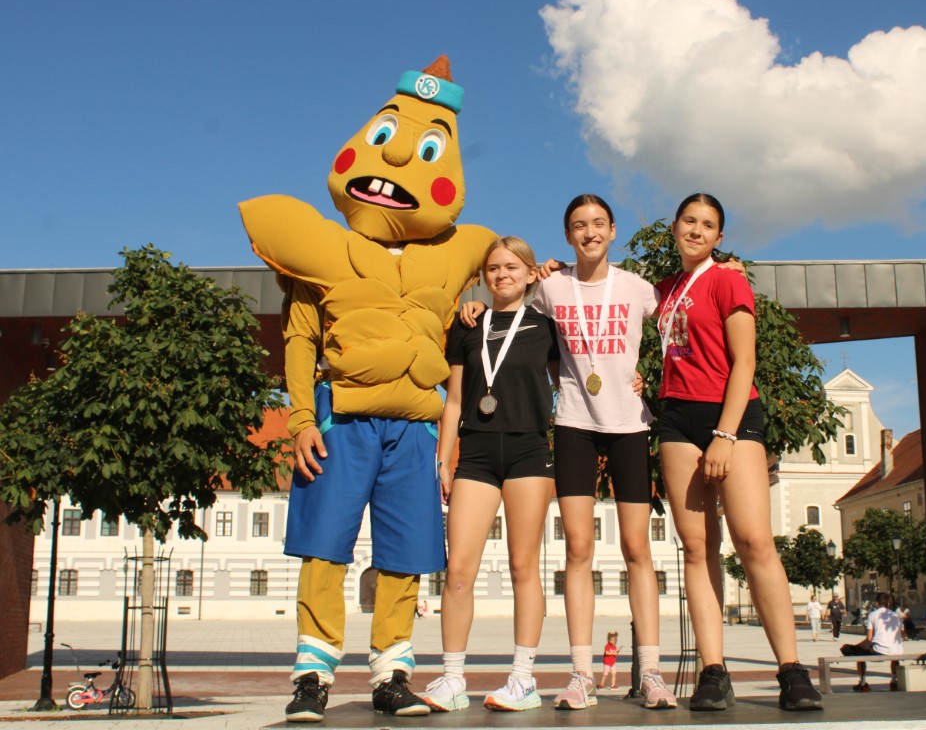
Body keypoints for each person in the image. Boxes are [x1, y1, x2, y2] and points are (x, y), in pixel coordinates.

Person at [240, 57, 497, 723]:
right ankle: (312, 677)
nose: (400, 162)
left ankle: (392, 673)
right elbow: (299, 339)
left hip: (413, 426)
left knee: (407, 552)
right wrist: (301, 419)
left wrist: (516, 283)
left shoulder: (451, 256)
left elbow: (502, 274)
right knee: (324, 544)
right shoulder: (320, 253)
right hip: (343, 419)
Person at [460, 194, 679, 711]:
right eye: (579, 225)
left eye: (598, 223)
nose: (589, 232)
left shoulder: (637, 287)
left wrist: (724, 265)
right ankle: (582, 674)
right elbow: (506, 305)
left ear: (613, 230)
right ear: (567, 235)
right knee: (577, 550)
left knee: (637, 549)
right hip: (575, 424)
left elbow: (681, 316)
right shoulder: (550, 287)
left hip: (629, 425)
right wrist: (472, 302)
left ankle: (651, 672)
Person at [655, 193, 822, 712]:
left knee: (753, 540)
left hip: (732, 415)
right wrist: (549, 270)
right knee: (696, 547)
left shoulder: (728, 280)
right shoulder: (663, 288)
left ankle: (791, 670)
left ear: (719, 237)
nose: (696, 231)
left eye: (707, 225)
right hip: (676, 418)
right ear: (675, 227)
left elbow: (744, 361)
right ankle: (713, 671)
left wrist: (725, 436)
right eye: (689, 221)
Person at [421, 237, 560, 713]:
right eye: (494, 268)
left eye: (512, 267)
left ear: (530, 273)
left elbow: (572, 381)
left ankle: (522, 679)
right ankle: (452, 679)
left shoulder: (546, 325)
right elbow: (455, 400)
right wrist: (444, 459)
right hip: (476, 454)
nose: (502, 275)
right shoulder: (468, 325)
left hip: (529, 451)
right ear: (484, 276)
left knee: (524, 566)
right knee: (459, 570)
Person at [840, 592, 903, 692]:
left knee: (859, 655)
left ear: (877, 603)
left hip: (880, 650)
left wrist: (857, 647)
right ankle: (894, 681)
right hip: (897, 649)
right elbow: (902, 634)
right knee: (894, 656)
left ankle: (863, 683)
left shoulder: (873, 615)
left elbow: (869, 638)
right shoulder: (895, 615)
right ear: (889, 603)